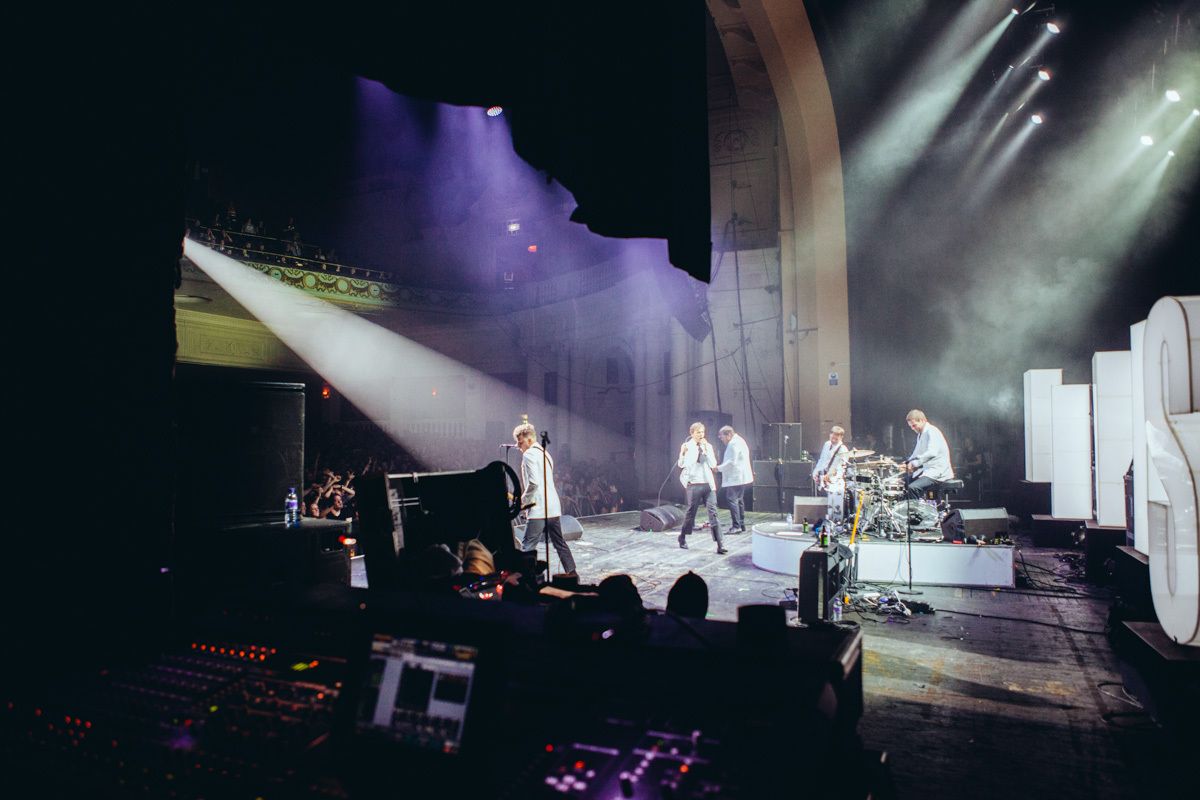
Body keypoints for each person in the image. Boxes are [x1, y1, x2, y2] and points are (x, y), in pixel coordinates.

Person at [514, 423, 577, 577]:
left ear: (529, 440)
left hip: (539, 508)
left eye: (520, 442)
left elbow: (534, 483)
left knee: (528, 546)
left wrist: (523, 500)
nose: (518, 446)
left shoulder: (528, 455)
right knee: (559, 543)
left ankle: (526, 578)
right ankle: (573, 573)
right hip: (553, 507)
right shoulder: (545, 454)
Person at [677, 422, 727, 554]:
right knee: (691, 512)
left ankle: (720, 543)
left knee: (713, 512)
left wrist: (705, 450)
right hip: (694, 482)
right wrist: (682, 454)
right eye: (698, 432)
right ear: (692, 433)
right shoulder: (687, 446)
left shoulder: (708, 446)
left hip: (708, 484)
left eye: (702, 432)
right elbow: (681, 464)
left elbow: (713, 464)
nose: (701, 435)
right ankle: (682, 537)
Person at [900, 410, 954, 498]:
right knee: (901, 483)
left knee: (913, 488)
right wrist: (906, 463)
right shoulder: (921, 434)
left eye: (914, 425)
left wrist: (914, 463)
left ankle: (915, 511)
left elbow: (932, 453)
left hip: (937, 472)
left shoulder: (932, 431)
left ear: (921, 420)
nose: (913, 428)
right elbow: (916, 453)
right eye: (911, 426)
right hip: (927, 471)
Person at [716, 425, 753, 533]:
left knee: (731, 500)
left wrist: (718, 468)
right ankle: (741, 525)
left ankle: (736, 526)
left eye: (722, 436)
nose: (721, 439)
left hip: (736, 478)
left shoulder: (733, 443)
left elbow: (732, 461)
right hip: (741, 478)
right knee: (739, 500)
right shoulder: (740, 440)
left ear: (728, 435)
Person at [812, 425, 850, 524]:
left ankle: (835, 524)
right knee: (825, 506)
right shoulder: (826, 444)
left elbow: (842, 469)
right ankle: (825, 523)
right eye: (832, 437)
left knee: (834, 507)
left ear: (841, 438)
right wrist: (815, 473)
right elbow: (821, 460)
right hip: (822, 478)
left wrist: (831, 477)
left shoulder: (843, 449)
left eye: (836, 439)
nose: (833, 440)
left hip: (834, 482)